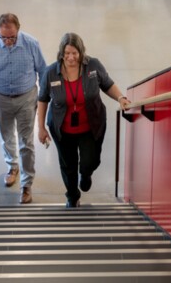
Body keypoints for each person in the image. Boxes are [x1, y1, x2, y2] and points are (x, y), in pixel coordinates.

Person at [37, 32, 131, 208]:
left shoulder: (93, 66)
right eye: (67, 54)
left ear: (81, 52)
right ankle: (72, 197)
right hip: (62, 129)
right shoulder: (51, 73)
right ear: (61, 53)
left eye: (75, 53)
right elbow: (42, 99)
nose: (71, 57)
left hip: (90, 126)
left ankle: (86, 174)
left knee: (91, 161)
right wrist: (40, 128)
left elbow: (108, 84)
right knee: (68, 165)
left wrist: (120, 98)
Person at [0, 13, 46, 204]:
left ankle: (26, 184)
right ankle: (12, 167)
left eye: (12, 37)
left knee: (26, 141)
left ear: (18, 30)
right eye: (4, 37)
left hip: (26, 98)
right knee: (7, 137)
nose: (8, 41)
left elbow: (43, 71)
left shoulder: (32, 44)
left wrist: (42, 101)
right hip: (0, 99)